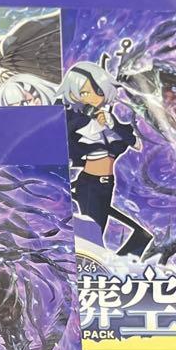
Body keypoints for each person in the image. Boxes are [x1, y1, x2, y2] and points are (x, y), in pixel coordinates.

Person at [56, 62, 153, 258]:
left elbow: (136, 144)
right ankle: (93, 266)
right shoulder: (77, 122)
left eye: (95, 91)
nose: (90, 97)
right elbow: (62, 142)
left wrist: (111, 123)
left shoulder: (109, 120)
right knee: (92, 237)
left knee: (140, 236)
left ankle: (107, 266)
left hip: (106, 184)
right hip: (89, 184)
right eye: (83, 93)